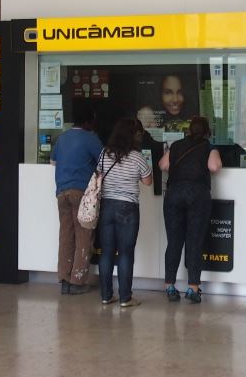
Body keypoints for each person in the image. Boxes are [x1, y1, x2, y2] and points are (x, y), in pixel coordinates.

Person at [159, 116, 222, 303]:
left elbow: (163, 165)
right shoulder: (208, 146)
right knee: (194, 241)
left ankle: (170, 286)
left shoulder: (176, 145)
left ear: (188, 131)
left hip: (174, 193)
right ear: (207, 132)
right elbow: (214, 166)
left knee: (174, 241)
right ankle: (193, 288)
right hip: (197, 194)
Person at [97, 117, 153, 307]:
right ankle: (125, 298)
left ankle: (106, 296)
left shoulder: (104, 153)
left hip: (106, 206)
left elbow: (99, 175)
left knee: (106, 252)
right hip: (127, 207)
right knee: (125, 253)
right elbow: (148, 181)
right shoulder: (137, 157)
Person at [50, 105, 103, 295]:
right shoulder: (91, 139)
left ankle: (64, 279)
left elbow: (53, 162)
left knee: (66, 234)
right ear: (88, 121)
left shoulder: (62, 138)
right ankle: (77, 281)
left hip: (61, 192)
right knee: (83, 235)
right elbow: (104, 162)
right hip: (81, 193)